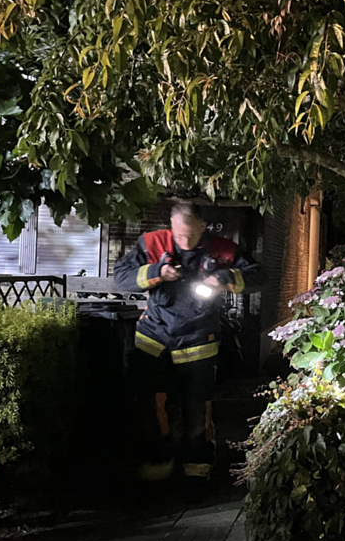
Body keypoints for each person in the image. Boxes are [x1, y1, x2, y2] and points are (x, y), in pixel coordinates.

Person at [114, 201, 266, 497]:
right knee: (152, 404)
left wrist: (223, 277)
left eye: (189, 236)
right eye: (178, 235)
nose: (182, 241)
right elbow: (121, 278)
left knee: (198, 407)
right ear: (171, 226)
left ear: (203, 226)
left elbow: (259, 277)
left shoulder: (223, 249)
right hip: (154, 339)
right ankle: (158, 466)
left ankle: (197, 470)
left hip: (199, 339)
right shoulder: (152, 243)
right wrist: (158, 271)